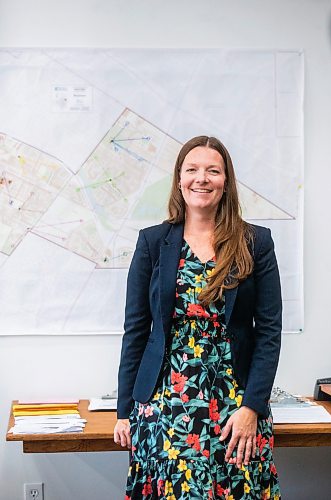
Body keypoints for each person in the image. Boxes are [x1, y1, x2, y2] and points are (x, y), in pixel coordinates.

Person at [114, 136, 282, 499]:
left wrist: (252, 406)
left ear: (226, 181)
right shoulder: (152, 242)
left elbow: (269, 332)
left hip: (235, 406)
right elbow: (137, 331)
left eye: (212, 171)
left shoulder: (255, 242)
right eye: (192, 169)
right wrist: (124, 409)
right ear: (179, 179)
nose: (201, 178)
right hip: (165, 405)